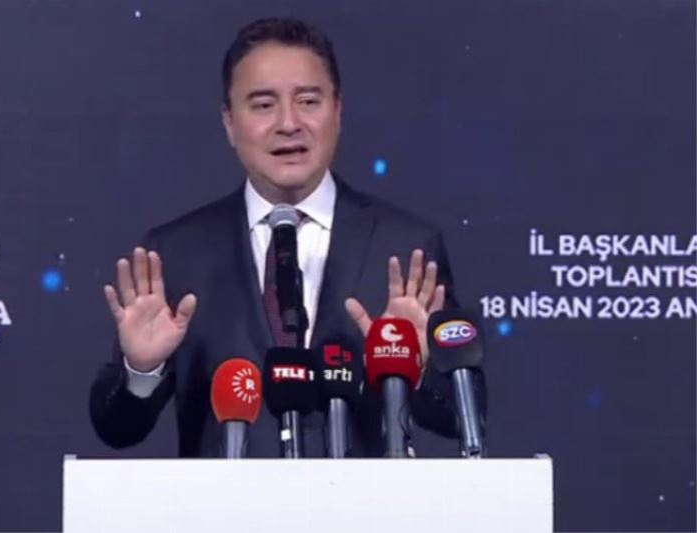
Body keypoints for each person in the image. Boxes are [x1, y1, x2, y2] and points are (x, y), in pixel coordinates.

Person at [89, 17, 486, 457]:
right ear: (229, 123)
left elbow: (463, 418)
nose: (288, 123)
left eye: (308, 101)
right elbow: (117, 429)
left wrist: (419, 366)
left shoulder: (405, 247)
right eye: (263, 105)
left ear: (337, 111)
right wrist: (142, 369)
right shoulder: (179, 252)